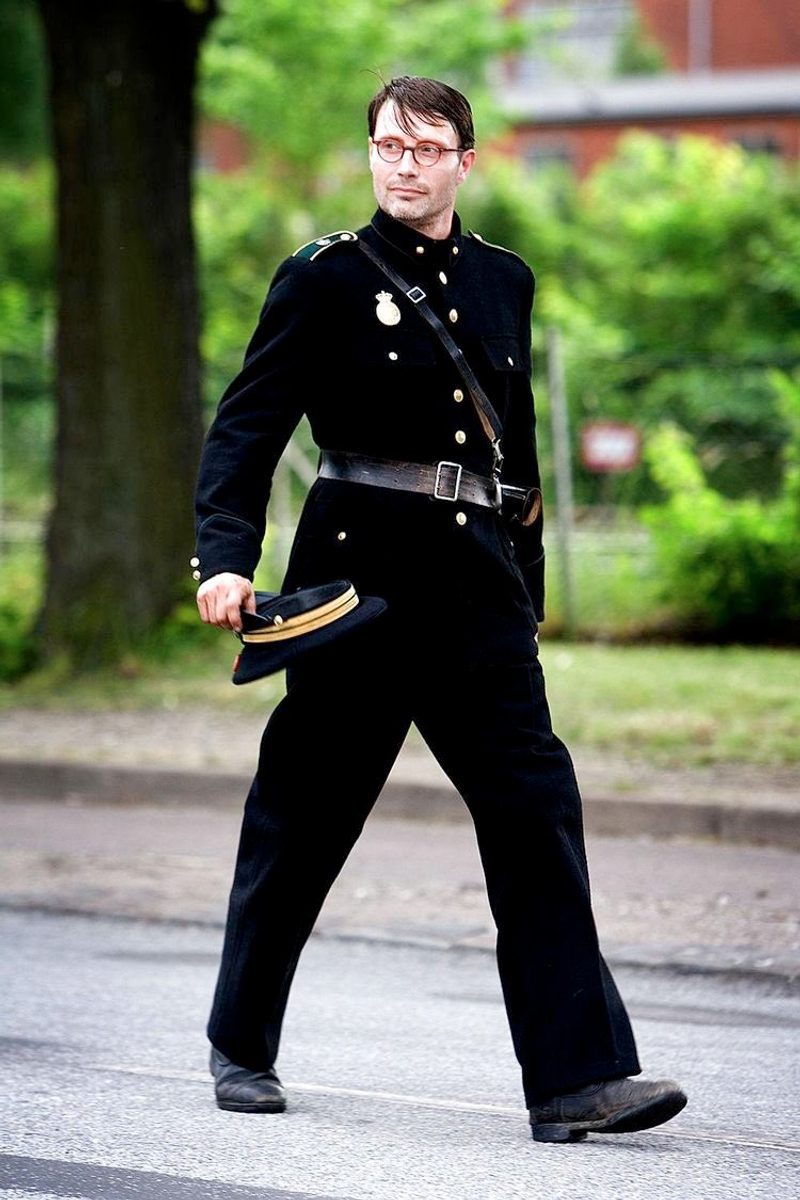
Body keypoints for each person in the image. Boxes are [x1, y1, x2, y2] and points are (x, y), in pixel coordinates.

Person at [193, 75, 687, 1143]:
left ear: (466, 160)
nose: (403, 165)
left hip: (477, 598)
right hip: (357, 596)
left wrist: (528, 590)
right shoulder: (323, 277)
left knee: (537, 817)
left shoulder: (506, 280)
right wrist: (223, 559)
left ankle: (577, 1082)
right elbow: (247, 428)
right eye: (387, 146)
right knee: (301, 821)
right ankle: (240, 1041)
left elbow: (516, 450)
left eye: (424, 148)